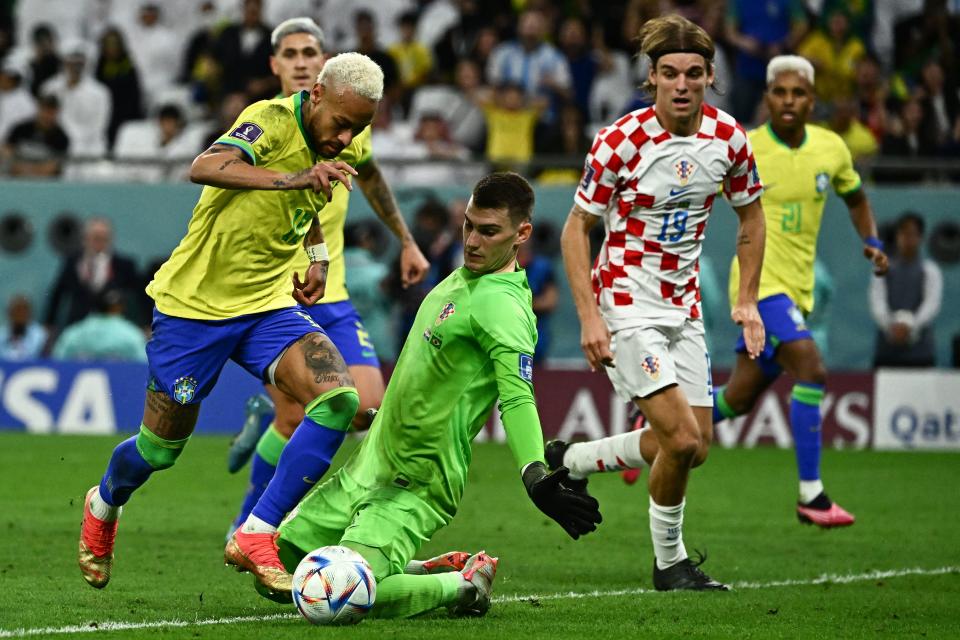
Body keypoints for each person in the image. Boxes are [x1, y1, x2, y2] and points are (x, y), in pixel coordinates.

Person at [77, 52, 384, 598]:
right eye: (341, 123)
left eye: (357, 128)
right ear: (316, 95)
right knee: (158, 451)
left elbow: (311, 205)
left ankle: (256, 533)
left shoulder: (339, 143)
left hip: (266, 305)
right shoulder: (269, 120)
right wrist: (292, 178)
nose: (345, 138)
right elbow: (205, 165)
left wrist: (317, 257)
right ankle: (103, 503)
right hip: (193, 309)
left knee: (340, 400)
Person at [269, 172, 602, 618]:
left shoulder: (504, 308)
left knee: (335, 596)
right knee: (283, 566)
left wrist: (534, 474)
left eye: (488, 231)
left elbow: (518, 397)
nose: (473, 241)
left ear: (522, 234)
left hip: (418, 477)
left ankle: (463, 585)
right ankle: (419, 568)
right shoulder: (460, 279)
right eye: (468, 225)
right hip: (371, 462)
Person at [549, 14, 767, 591]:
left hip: (684, 307)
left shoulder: (728, 139)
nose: (681, 83)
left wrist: (746, 298)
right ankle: (669, 564)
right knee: (682, 439)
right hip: (624, 304)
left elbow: (751, 215)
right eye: (669, 72)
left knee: (696, 448)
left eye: (693, 73)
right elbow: (576, 229)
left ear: (709, 77)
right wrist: (590, 315)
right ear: (651, 78)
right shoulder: (621, 140)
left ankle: (569, 462)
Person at [223, 18, 429, 539]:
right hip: (271, 296)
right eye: (288, 53)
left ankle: (264, 431)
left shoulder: (346, 129)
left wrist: (406, 239)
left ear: (323, 66)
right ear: (275, 65)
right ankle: (250, 524)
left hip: (330, 296)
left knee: (364, 412)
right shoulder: (264, 127)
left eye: (309, 51)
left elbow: (374, 176)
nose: (298, 60)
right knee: (299, 418)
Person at [712, 56, 888, 526]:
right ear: (767, 97)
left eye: (798, 93)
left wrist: (870, 240)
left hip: (796, 291)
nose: (789, 101)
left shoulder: (831, 149)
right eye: (780, 92)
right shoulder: (745, 145)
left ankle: (657, 417)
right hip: (757, 284)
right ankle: (811, 495)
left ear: (812, 100)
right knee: (811, 368)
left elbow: (856, 197)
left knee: (738, 398)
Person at [870, 212, 942, 368]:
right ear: (897, 236)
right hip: (887, 352)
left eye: (912, 234)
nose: (907, 239)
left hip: (921, 353)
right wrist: (891, 327)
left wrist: (911, 326)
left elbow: (931, 304)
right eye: (903, 233)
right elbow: (877, 302)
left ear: (921, 238)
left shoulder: (930, 270)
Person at [44, 217, 139, 333]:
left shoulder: (123, 265)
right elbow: (57, 294)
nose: (99, 243)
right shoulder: (73, 261)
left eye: (104, 239)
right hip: (78, 326)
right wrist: (49, 323)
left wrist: (148, 323)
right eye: (95, 238)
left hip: (113, 328)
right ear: (85, 238)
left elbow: (140, 295)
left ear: (110, 240)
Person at [51, 288, 146, 362]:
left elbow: (56, 362)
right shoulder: (132, 334)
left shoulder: (73, 332)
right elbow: (145, 368)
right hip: (121, 385)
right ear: (120, 307)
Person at [0, 295, 47, 360]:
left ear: (30, 313)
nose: (20, 314)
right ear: (9, 313)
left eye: (23, 310)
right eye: (17, 310)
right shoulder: (2, 334)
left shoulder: (40, 334)